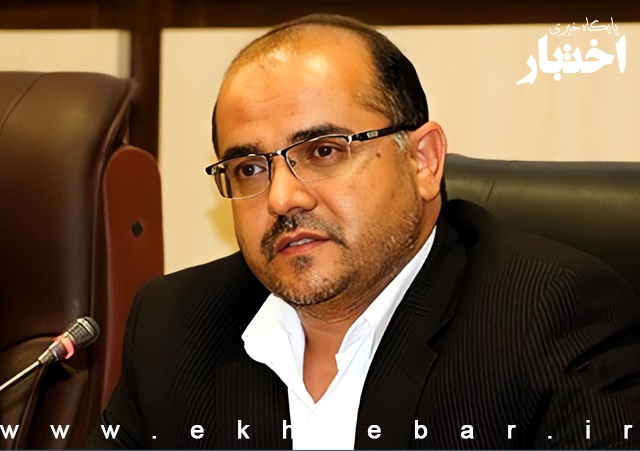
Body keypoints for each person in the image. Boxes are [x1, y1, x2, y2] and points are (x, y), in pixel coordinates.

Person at [88, 13, 640, 449]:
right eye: (250, 168)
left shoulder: (550, 319)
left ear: (423, 161)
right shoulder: (175, 326)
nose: (282, 198)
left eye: (324, 151)